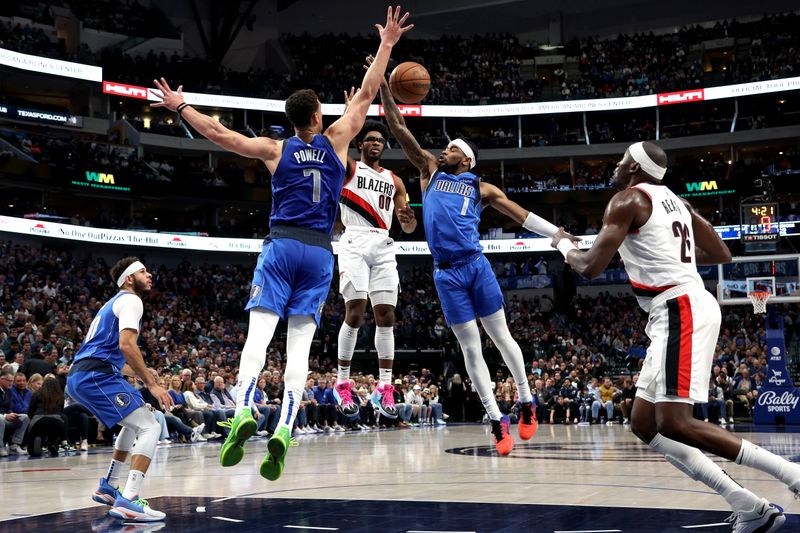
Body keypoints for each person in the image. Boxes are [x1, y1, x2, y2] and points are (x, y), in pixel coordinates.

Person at [151, 6, 412, 482]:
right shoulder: (337, 142)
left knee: (257, 340)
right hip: (319, 252)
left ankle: (245, 410)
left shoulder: (276, 149)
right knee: (298, 351)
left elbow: (219, 135)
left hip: (281, 245)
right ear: (317, 115)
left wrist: (180, 106)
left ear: (291, 121)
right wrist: (388, 44)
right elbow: (370, 93)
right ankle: (285, 430)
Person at [551, 141, 796, 532]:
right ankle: (747, 504)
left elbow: (590, 267)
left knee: (675, 422)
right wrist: (665, 250)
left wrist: (563, 244)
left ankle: (792, 475)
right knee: (645, 423)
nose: (616, 166)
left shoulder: (626, 200)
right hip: (683, 304)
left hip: (678, 306)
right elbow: (721, 252)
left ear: (634, 168)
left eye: (621, 161)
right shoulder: (679, 203)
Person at [379, 70, 570, 456]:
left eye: (451, 148)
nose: (443, 150)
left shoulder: (481, 187)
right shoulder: (429, 171)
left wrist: (556, 234)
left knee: (501, 338)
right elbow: (398, 127)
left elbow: (520, 214)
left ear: (465, 157)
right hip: (446, 273)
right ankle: (496, 419)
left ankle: (527, 400)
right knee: (470, 349)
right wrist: (384, 84)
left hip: (475, 265)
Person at [66, 257, 173, 522]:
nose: (150, 275)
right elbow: (127, 345)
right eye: (143, 271)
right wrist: (152, 383)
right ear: (129, 278)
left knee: (134, 421)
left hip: (85, 375)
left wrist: (143, 372)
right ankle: (130, 500)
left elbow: (113, 356)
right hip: (95, 376)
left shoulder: (111, 304)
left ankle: (108, 487)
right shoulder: (131, 300)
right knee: (151, 426)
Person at [334, 116, 417, 421]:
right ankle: (342, 381)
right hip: (354, 240)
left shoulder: (395, 181)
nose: (375, 143)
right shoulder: (350, 168)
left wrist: (408, 219)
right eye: (370, 139)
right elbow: (336, 144)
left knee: (387, 316)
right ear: (360, 143)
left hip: (383, 244)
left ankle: (384, 387)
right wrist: (348, 117)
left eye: (380, 140)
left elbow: (408, 225)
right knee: (355, 310)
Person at [26, 374, 67, 457]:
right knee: (54, 434)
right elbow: (61, 411)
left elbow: (31, 410)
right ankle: (53, 444)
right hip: (56, 420)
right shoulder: (60, 396)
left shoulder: (37, 394)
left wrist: (32, 420)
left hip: (39, 419)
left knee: (35, 436)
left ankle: (37, 443)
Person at [0, 368, 30, 456]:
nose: (11, 383)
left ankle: (14, 446)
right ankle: (1, 447)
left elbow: (9, 407)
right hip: (1, 417)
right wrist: (5, 416)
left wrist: (11, 413)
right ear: (2, 379)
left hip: (5, 416)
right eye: (10, 381)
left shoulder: (9, 391)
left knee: (25, 417)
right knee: (0, 419)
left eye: (12, 381)